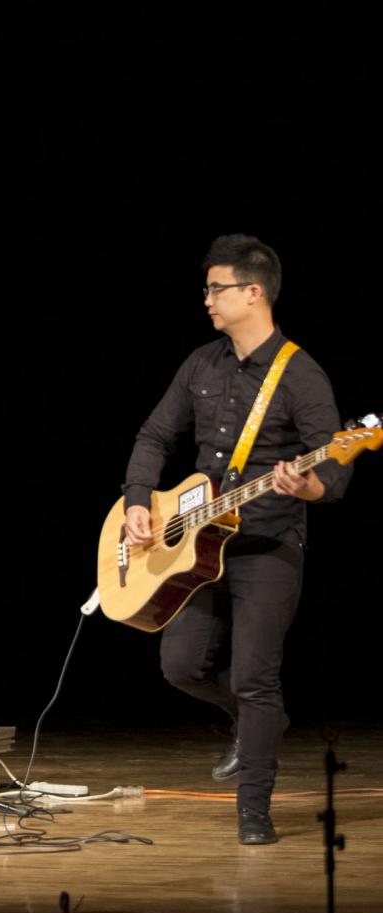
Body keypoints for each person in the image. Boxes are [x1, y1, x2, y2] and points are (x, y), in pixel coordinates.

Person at [122, 234, 351, 845]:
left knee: (256, 678)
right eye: (207, 289)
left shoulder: (300, 373)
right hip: (198, 543)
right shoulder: (201, 363)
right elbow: (153, 436)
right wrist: (140, 503)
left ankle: (254, 810)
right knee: (178, 666)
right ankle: (248, 725)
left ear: (254, 293)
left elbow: (336, 464)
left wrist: (310, 489)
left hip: (268, 544)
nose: (207, 300)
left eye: (215, 289)